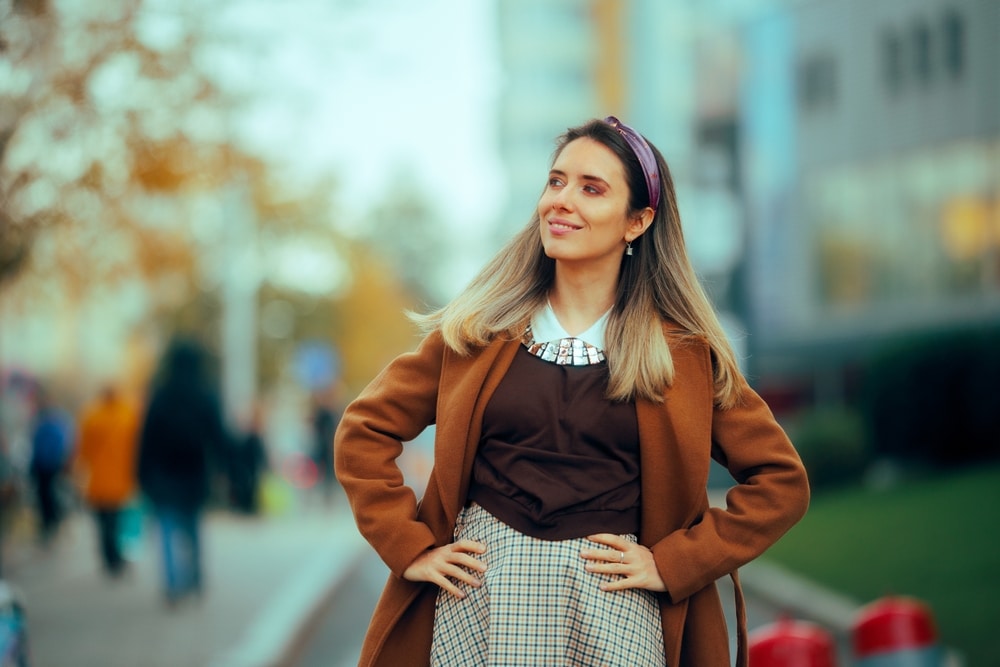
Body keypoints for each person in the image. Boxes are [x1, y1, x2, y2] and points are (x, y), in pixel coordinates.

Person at [334, 116, 810, 667]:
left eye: (591, 188)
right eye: (556, 181)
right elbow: (363, 431)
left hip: (616, 614)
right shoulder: (477, 335)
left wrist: (674, 563)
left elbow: (781, 482)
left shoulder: (682, 355)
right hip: (479, 605)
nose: (561, 200)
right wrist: (408, 545)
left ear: (637, 221)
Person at [137, 338, 226, 607]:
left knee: (166, 530)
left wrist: (141, 473)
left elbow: (146, 438)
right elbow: (217, 435)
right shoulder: (205, 393)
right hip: (195, 474)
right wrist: (225, 470)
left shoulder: (161, 394)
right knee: (192, 528)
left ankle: (173, 585)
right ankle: (195, 579)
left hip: (164, 475)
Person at [73, 382, 141, 577]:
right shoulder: (128, 415)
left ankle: (108, 558)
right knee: (116, 521)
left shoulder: (92, 416)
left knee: (103, 521)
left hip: (98, 479)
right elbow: (136, 448)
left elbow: (83, 449)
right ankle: (115, 558)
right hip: (120, 479)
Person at [28, 386, 73, 546]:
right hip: (41, 464)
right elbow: (34, 443)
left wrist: (64, 460)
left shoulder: (56, 420)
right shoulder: (38, 419)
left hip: (52, 463)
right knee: (43, 495)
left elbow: (64, 442)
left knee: (50, 494)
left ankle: (53, 521)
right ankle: (48, 523)